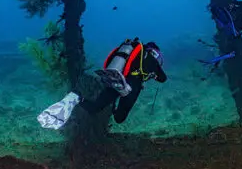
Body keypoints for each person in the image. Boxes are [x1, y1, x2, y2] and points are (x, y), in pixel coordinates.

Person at [37, 38, 166, 129]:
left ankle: (76, 97)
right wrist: (155, 73)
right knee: (119, 118)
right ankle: (122, 92)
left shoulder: (133, 50)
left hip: (114, 77)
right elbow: (162, 78)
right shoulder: (151, 57)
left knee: (94, 108)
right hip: (132, 84)